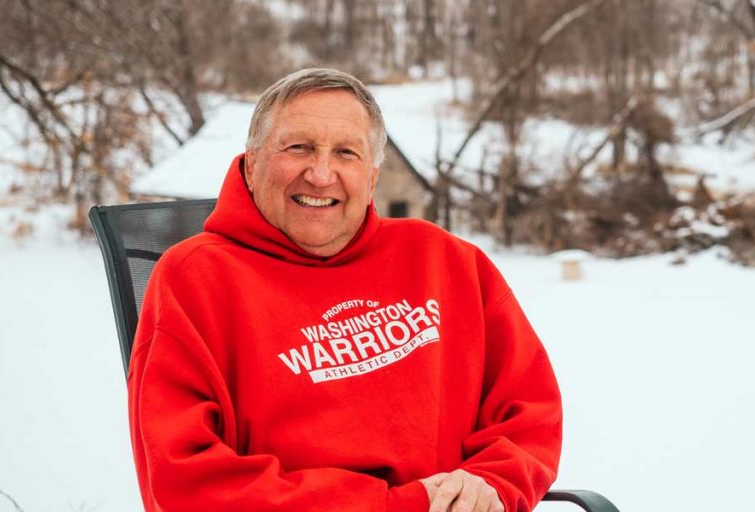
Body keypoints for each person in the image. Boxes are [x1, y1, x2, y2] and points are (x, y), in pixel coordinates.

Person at [128, 68, 562, 512]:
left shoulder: (445, 260)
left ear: (372, 177)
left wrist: (490, 483)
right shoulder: (193, 278)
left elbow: (528, 409)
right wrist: (397, 506)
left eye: (345, 153)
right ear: (253, 163)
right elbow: (187, 480)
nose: (320, 174)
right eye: (299, 147)